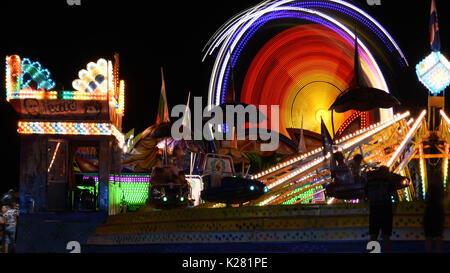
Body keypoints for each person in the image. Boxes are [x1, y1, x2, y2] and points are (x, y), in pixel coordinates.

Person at [365, 166, 395, 253]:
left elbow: (365, 197)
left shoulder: (370, 182)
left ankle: (373, 251)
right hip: (386, 211)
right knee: (386, 236)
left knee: (373, 236)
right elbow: (395, 197)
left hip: (374, 210)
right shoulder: (389, 182)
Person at [423, 177, 445, 253]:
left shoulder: (430, 189)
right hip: (438, 213)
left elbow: (426, 200)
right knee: (438, 237)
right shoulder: (440, 190)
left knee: (429, 237)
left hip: (430, 213)